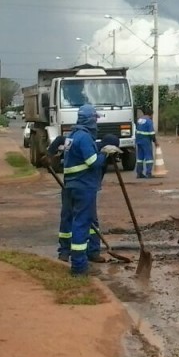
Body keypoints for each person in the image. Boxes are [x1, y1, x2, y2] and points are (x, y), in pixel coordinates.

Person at [55, 104, 116, 275]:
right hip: (83, 187)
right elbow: (92, 162)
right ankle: (79, 266)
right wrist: (105, 153)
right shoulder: (84, 137)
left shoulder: (72, 136)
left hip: (70, 186)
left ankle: (78, 252)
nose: (96, 122)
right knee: (81, 223)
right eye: (95, 118)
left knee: (78, 220)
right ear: (90, 119)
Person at [135, 106, 157, 179]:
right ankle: (148, 173)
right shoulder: (149, 121)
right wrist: (155, 141)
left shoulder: (139, 120)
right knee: (149, 157)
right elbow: (151, 133)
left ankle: (139, 173)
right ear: (150, 114)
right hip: (146, 141)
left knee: (140, 158)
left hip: (138, 140)